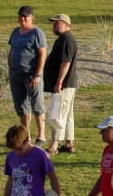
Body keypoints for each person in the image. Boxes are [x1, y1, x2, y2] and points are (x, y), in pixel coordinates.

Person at [9, 6, 48, 145]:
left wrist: (37, 75)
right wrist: (10, 68)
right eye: (20, 16)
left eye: (25, 16)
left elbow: (42, 54)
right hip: (16, 74)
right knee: (21, 106)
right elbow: (11, 50)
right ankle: (26, 136)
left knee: (37, 104)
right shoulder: (15, 32)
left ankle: (41, 135)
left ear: (32, 17)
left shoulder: (37, 33)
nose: (22, 19)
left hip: (31, 75)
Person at [44, 14, 80, 156]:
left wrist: (59, 82)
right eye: (54, 23)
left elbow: (66, 62)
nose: (55, 25)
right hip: (67, 84)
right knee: (67, 114)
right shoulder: (64, 39)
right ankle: (69, 143)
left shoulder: (67, 39)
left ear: (67, 25)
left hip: (64, 85)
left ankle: (54, 145)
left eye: (59, 23)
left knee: (58, 114)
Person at [4, 124, 60, 196]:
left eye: (19, 149)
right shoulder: (10, 156)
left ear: (27, 140)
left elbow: (53, 178)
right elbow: (11, 179)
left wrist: (57, 193)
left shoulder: (40, 155)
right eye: (14, 149)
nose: (17, 152)